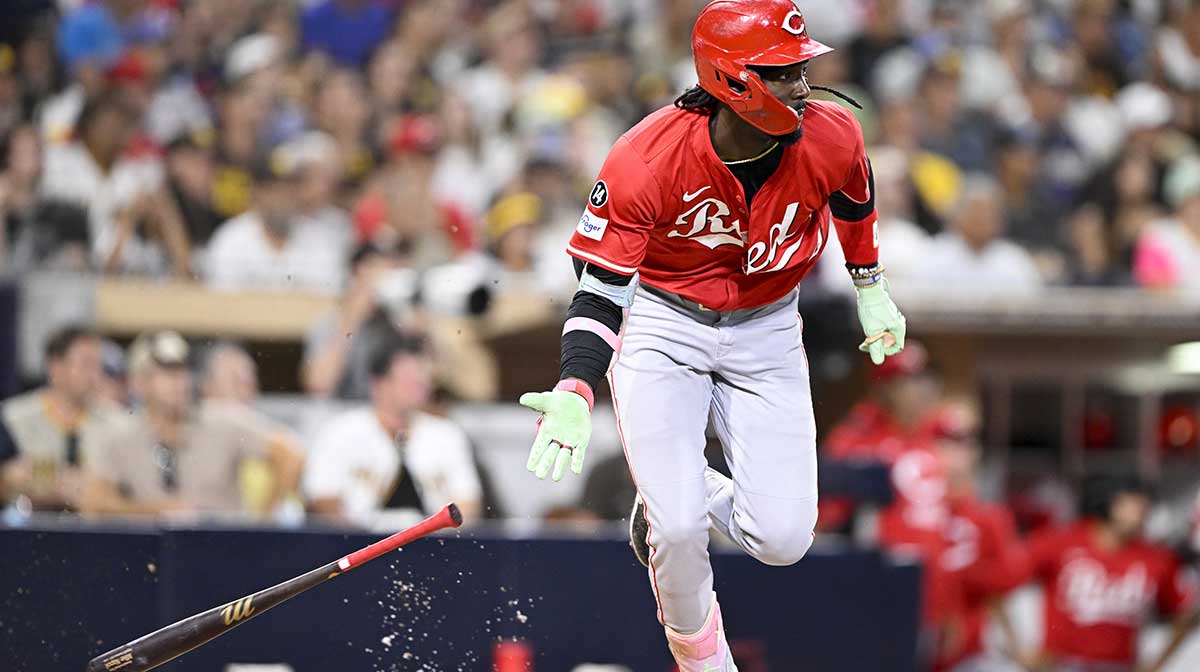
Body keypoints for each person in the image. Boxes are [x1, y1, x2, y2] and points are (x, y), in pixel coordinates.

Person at [516, 3, 907, 670]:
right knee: (677, 530)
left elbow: (854, 198)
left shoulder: (833, 133)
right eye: (783, 73)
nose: (802, 85)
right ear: (731, 79)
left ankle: (675, 488)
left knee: (783, 538)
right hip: (664, 323)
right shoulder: (647, 155)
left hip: (768, 325)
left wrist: (869, 285)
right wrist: (577, 383)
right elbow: (602, 288)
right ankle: (703, 658)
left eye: (802, 68)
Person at [78, 330, 303, 518]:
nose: (179, 382)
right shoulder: (120, 433)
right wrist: (154, 511)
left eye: (183, 371)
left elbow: (292, 456)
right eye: (167, 373)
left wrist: (262, 523)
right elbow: (94, 503)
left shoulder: (222, 420)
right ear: (139, 382)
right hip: (151, 552)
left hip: (223, 547)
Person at [1018, 476, 1200, 672]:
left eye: (1144, 503)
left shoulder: (1156, 558)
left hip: (1118, 666)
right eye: (1133, 502)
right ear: (1107, 501)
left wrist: (1157, 663)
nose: (1142, 510)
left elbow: (1185, 614)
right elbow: (1002, 583)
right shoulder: (1060, 542)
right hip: (1062, 664)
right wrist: (1018, 646)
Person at [303, 332, 483, 527]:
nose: (420, 384)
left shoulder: (447, 435)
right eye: (409, 378)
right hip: (357, 548)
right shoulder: (341, 432)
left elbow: (468, 502)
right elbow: (321, 499)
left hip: (435, 548)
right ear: (378, 383)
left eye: (423, 377)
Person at [0, 325, 109, 511]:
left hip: (98, 530)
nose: (94, 375)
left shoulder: (117, 422)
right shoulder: (12, 418)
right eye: (85, 364)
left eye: (98, 365)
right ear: (56, 367)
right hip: (28, 528)